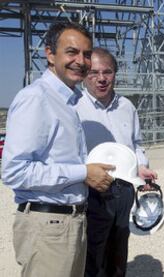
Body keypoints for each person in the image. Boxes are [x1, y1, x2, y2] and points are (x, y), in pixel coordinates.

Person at [1, 22, 114, 277]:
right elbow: (15, 171)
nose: (81, 61)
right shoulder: (37, 98)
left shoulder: (66, 102)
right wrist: (82, 173)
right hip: (48, 226)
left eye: (86, 54)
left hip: (68, 223)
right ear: (50, 54)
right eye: (71, 52)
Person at [76, 47, 157, 277]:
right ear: (84, 74)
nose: (101, 79)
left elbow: (137, 144)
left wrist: (141, 167)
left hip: (123, 190)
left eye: (107, 72)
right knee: (92, 255)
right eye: (94, 72)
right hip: (90, 190)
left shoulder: (126, 107)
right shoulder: (74, 106)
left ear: (115, 74)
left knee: (118, 252)